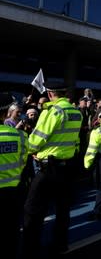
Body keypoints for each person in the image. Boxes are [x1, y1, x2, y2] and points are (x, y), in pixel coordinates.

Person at [22, 82, 82, 256]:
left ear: (49, 94)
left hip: (48, 168)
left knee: (32, 209)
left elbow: (37, 138)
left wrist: (31, 150)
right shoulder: (75, 112)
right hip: (67, 166)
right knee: (63, 209)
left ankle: (30, 250)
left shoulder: (54, 111)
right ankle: (60, 244)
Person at [0, 93, 29, 259]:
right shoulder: (20, 136)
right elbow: (23, 161)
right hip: (13, 191)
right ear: (5, 114)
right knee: (11, 233)